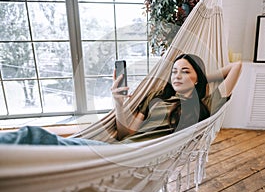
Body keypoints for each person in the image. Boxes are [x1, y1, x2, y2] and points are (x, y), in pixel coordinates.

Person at [0, 54, 242, 145]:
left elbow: (236, 67)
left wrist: (199, 76)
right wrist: (117, 101)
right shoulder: (157, 97)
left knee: (33, 139)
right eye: (174, 71)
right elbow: (127, 132)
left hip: (141, 156)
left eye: (184, 70)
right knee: (34, 139)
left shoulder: (204, 106)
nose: (177, 75)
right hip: (118, 149)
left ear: (198, 78)